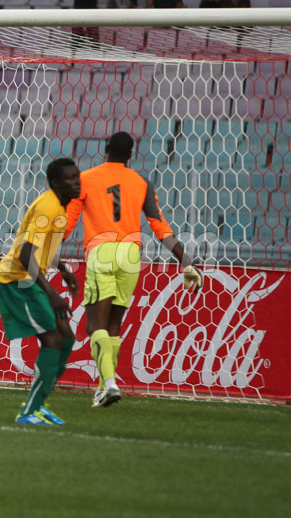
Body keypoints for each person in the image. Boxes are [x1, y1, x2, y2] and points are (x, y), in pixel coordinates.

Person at [64, 132, 202, 408]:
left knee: (95, 326)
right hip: (130, 253)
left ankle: (110, 383)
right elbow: (160, 227)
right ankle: (105, 387)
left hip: (102, 250)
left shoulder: (87, 178)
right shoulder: (141, 182)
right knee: (114, 324)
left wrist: (45, 246)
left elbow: (68, 222)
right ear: (131, 155)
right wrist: (186, 260)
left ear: (105, 150)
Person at [0, 158, 81, 426]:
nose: (77, 182)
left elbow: (42, 250)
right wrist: (52, 293)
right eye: (70, 179)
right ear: (55, 183)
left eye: (77, 177)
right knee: (54, 339)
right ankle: (29, 411)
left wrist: (63, 268)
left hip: (28, 279)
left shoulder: (58, 208)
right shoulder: (48, 207)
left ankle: (38, 404)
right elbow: (24, 254)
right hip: (17, 280)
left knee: (66, 338)